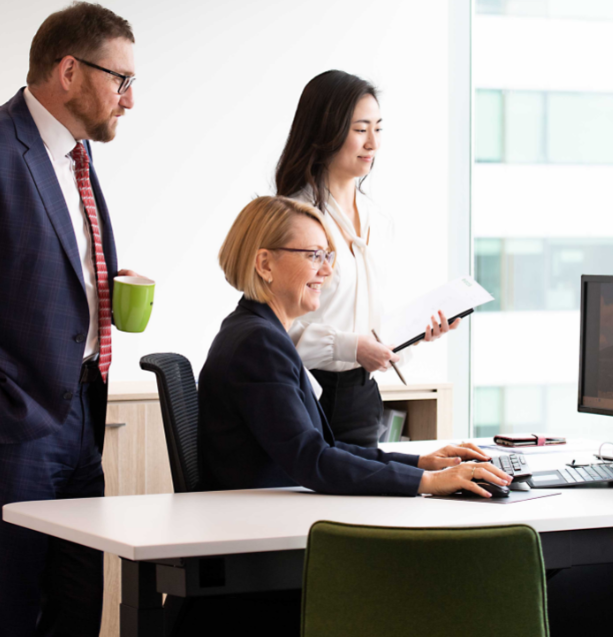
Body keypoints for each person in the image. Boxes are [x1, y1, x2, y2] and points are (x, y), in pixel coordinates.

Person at [0, 1, 141, 637]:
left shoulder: (75, 155)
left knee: (76, 619)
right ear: (69, 71)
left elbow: (33, 268)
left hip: (82, 413)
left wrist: (103, 283)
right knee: (5, 623)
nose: (129, 100)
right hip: (13, 426)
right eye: (121, 80)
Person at [198, 195, 510, 498]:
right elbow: (313, 460)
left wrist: (420, 464)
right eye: (313, 255)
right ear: (265, 264)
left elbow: (322, 447)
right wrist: (427, 481)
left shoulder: (253, 329)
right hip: (260, 528)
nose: (327, 270)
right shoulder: (260, 343)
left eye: (327, 255)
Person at [274, 70, 461, 447]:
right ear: (326, 130)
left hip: (362, 397)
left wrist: (414, 336)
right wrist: (351, 347)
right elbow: (274, 335)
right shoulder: (295, 218)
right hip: (305, 394)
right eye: (360, 129)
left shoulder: (377, 219)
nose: (372, 143)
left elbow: (371, 324)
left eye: (378, 128)